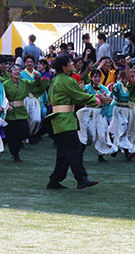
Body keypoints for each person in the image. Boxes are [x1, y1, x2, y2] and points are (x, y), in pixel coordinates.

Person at [44, 55, 111, 189]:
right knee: (74, 149)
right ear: (64, 66)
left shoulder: (57, 79)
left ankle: (54, 180)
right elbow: (80, 96)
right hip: (65, 120)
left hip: (59, 120)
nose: (72, 63)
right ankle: (81, 178)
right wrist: (99, 99)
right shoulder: (67, 80)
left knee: (64, 153)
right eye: (70, 62)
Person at [2, 64, 49, 162]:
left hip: (21, 112)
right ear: (10, 73)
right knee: (12, 135)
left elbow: (35, 85)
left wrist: (37, 78)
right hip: (10, 113)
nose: (17, 72)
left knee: (24, 132)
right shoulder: (5, 84)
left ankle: (20, 142)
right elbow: (2, 97)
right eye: (15, 70)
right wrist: (6, 105)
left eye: (19, 70)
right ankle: (15, 154)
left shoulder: (25, 82)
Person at [76, 69, 116, 163]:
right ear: (91, 77)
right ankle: (79, 155)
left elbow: (110, 99)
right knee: (88, 135)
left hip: (100, 113)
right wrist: (99, 98)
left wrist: (104, 97)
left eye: (99, 76)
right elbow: (81, 98)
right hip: (88, 113)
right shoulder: (86, 88)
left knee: (102, 134)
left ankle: (100, 155)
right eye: (95, 76)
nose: (97, 78)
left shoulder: (103, 88)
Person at [109, 64, 135, 161]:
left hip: (132, 109)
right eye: (123, 78)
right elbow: (112, 96)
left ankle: (128, 149)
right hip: (120, 110)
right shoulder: (116, 86)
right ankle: (126, 151)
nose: (124, 80)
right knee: (120, 130)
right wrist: (114, 91)